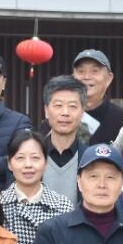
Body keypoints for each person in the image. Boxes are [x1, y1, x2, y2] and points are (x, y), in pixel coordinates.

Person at [40, 74, 87, 204]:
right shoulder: (32, 156)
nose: (65, 112)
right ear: (46, 111)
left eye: (72, 106)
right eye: (58, 105)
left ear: (82, 113)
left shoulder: (89, 159)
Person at [72, 49, 123, 145]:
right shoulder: (60, 117)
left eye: (95, 71)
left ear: (109, 78)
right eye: (81, 71)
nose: (87, 77)